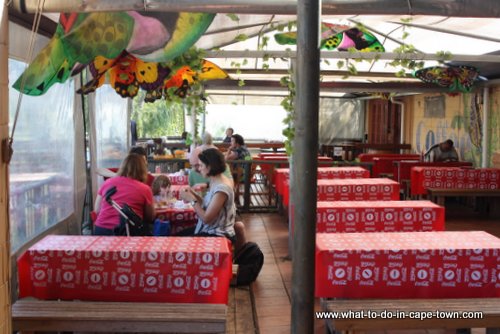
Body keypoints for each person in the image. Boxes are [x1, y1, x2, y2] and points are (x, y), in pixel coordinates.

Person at [179, 148, 236, 241]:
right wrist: (193, 194)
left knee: (179, 241)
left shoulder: (222, 188)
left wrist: (192, 200)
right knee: (175, 236)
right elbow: (207, 205)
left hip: (218, 236)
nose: (199, 168)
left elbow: (206, 218)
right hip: (209, 230)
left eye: (201, 165)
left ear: (209, 166)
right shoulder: (215, 180)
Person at [93, 153, 155, 235]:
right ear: (143, 170)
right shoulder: (145, 189)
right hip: (128, 232)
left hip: (101, 230)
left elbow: (96, 210)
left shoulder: (107, 183)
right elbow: (150, 217)